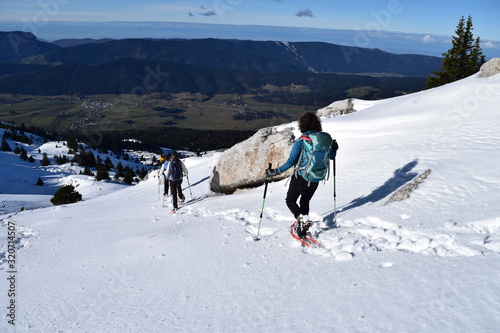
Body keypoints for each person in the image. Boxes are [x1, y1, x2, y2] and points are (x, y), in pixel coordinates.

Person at [265, 112, 338, 236]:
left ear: (302, 125)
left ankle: (300, 220)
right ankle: (304, 222)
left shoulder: (301, 141)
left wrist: (275, 171)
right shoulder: (323, 141)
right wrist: (334, 149)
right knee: (305, 201)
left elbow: (291, 162)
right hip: (316, 177)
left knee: (290, 200)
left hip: (301, 177)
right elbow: (331, 156)